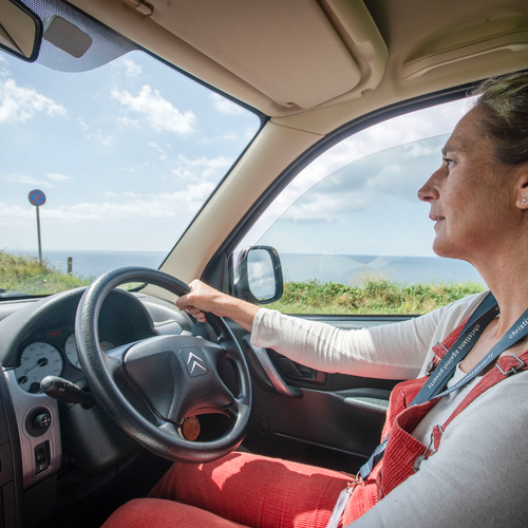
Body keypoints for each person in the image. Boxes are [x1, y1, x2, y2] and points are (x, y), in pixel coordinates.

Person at [102, 73, 528, 527]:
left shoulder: (518, 413)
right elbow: (344, 348)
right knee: (193, 472)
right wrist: (229, 305)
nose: (427, 186)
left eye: (451, 162)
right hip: (367, 499)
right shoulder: (476, 316)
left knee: (134, 517)